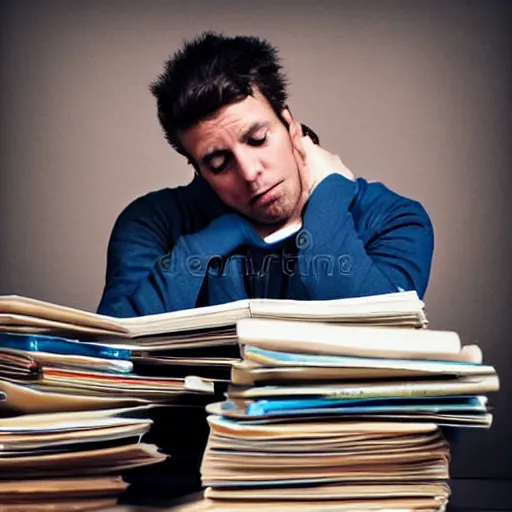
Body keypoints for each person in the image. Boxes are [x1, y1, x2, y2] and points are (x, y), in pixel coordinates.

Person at [97, 32, 434, 318]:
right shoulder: (150, 223)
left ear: (290, 124)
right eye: (218, 162)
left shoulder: (395, 219)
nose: (249, 172)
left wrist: (328, 196)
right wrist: (217, 237)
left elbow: (381, 338)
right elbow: (114, 354)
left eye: (257, 139)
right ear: (197, 169)